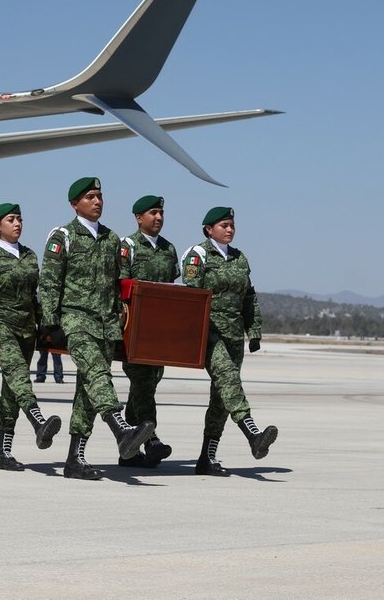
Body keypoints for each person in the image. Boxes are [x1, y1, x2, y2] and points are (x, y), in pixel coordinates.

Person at [39, 177, 155, 480]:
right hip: (75, 321)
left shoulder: (111, 239)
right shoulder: (62, 235)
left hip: (105, 325)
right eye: (90, 196)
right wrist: (51, 322)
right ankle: (121, 429)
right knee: (99, 376)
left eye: (100, 196)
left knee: (87, 392)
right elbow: (49, 282)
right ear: (74, 203)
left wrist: (120, 319)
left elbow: (117, 286)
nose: (97, 201)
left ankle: (74, 460)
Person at [181, 206, 278, 476]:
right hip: (209, 333)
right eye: (224, 225)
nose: (230, 229)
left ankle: (206, 458)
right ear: (208, 229)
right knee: (229, 382)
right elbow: (191, 297)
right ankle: (253, 433)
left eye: (232, 225)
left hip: (234, 333)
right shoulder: (198, 256)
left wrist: (254, 330)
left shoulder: (239, 258)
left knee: (221, 398)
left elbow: (249, 297)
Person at [0, 203, 62, 472]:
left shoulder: (30, 256)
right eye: (11, 219)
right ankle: (38, 421)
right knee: (19, 374)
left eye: (20, 219)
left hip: (26, 329)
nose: (18, 223)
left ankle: (3, 453)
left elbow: (35, 296)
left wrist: (46, 325)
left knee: (11, 391)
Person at [117, 194, 179, 468]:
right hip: (135, 331)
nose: (159, 218)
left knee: (146, 385)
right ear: (138, 218)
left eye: (161, 213)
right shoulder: (127, 247)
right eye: (153, 213)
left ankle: (127, 450)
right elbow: (120, 286)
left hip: (159, 334)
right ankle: (151, 438)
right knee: (142, 383)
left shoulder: (169, 249)